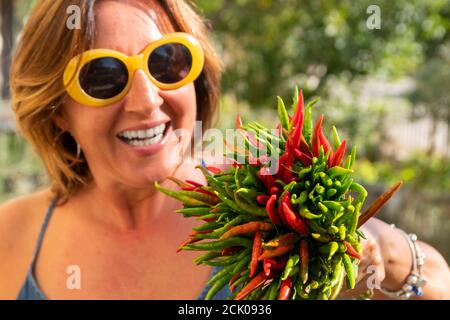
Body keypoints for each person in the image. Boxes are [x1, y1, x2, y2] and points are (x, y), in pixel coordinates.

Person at [0, 0, 448, 300]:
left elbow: (439, 284)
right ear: (57, 110)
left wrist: (385, 255)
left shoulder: (268, 206)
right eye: (102, 75)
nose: (146, 100)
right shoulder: (13, 235)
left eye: (166, 62)